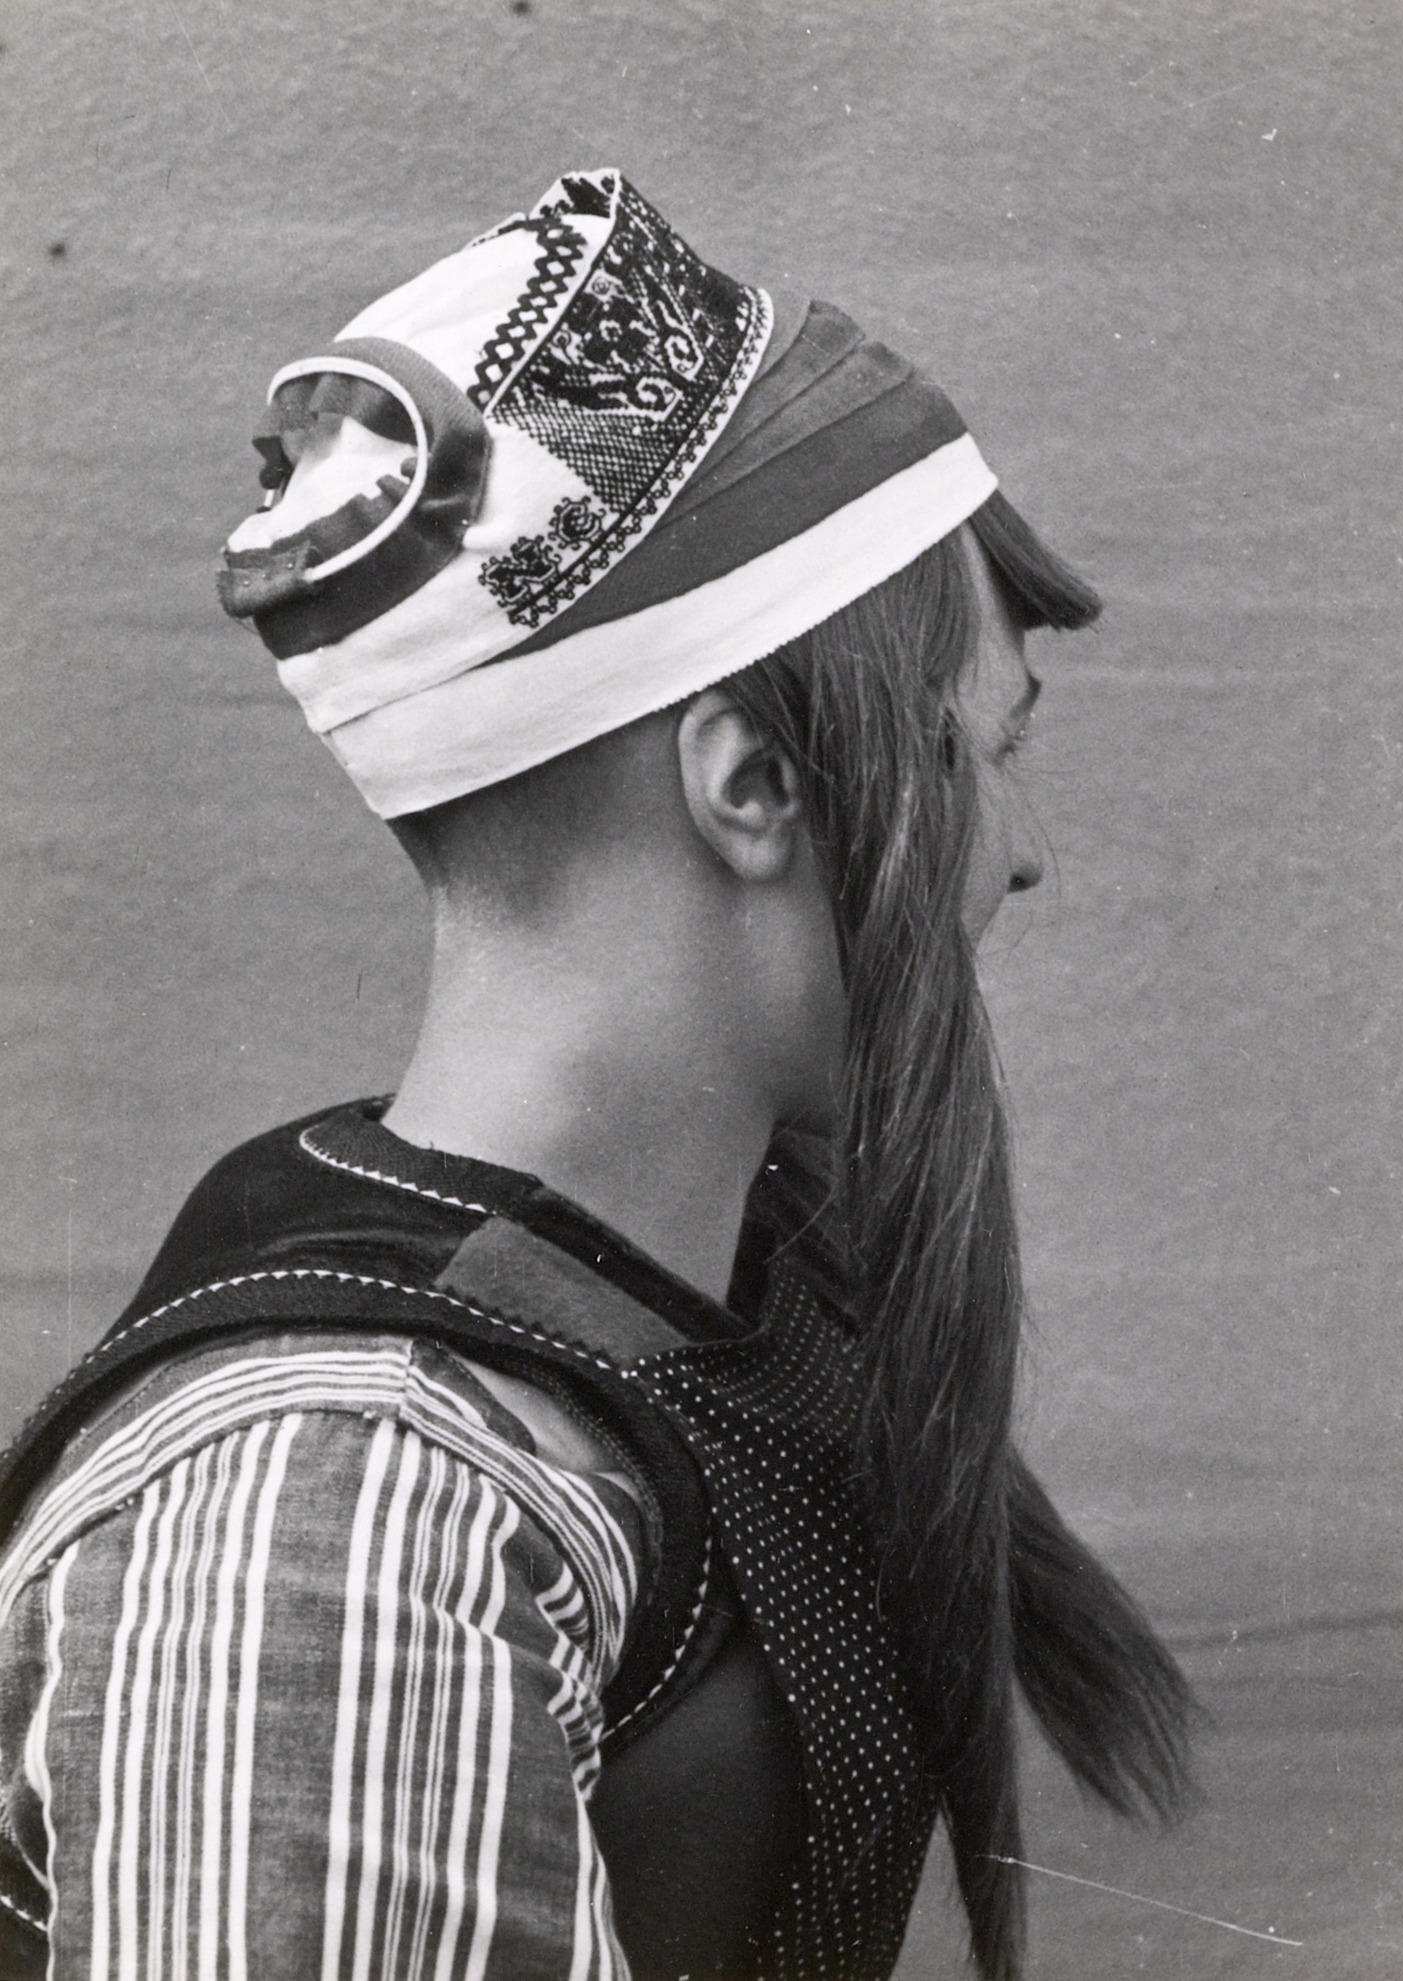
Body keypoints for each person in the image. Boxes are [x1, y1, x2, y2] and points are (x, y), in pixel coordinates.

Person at [0, 169, 1192, 1981]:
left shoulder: (727, 1307)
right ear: (753, 783)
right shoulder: (344, 1518)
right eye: (991, 750)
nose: (1020, 855)